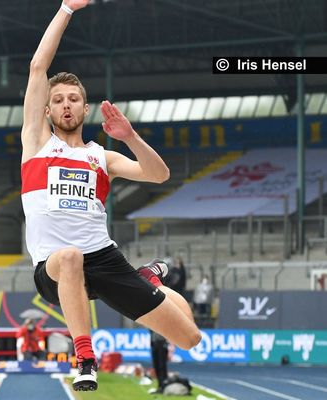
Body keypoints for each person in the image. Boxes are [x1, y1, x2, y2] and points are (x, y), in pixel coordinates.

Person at [20, 0, 201, 391]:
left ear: (85, 108)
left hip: (104, 258)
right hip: (54, 266)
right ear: (48, 111)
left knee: (190, 337)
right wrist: (67, 8)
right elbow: (38, 67)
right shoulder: (35, 143)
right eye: (58, 100)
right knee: (68, 257)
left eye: (73, 99)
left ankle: (144, 277)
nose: (66, 105)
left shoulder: (101, 156)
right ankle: (85, 357)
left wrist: (130, 138)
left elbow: (159, 174)